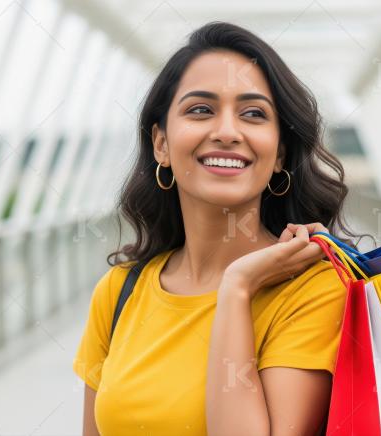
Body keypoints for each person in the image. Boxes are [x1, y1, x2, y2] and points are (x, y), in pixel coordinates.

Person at [72, 21, 364, 436]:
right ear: (161, 144)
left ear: (280, 152)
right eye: (200, 109)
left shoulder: (313, 292)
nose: (227, 132)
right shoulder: (119, 292)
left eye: (253, 114)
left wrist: (237, 289)